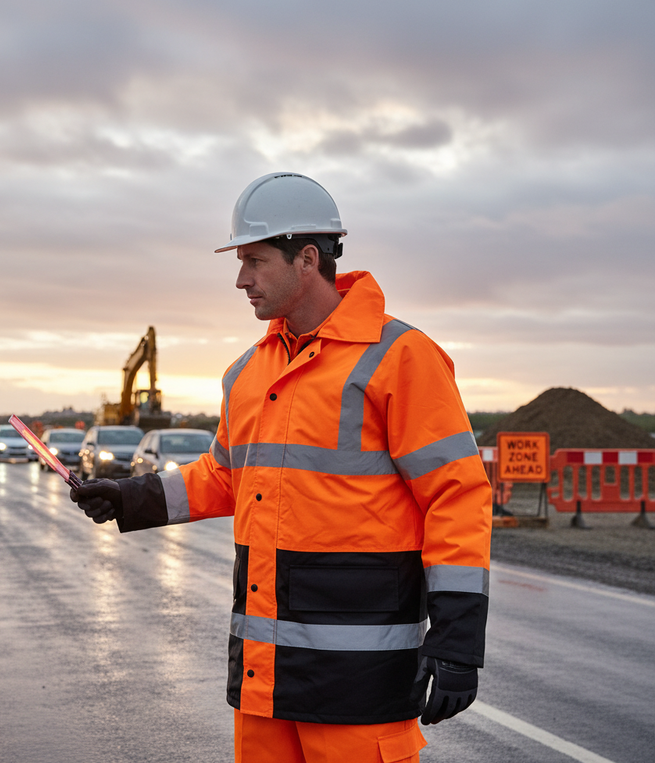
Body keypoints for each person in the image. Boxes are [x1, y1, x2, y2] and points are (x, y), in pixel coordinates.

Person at [71, 172, 492, 763]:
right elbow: (224, 476)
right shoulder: (248, 373)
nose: (241, 280)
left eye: (255, 261)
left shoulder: (401, 359)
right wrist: (129, 497)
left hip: (359, 684)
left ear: (307, 260)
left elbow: (458, 495)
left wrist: (457, 642)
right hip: (264, 685)